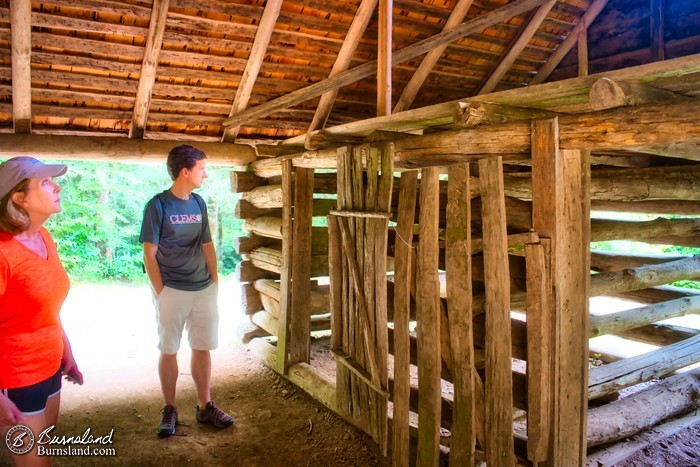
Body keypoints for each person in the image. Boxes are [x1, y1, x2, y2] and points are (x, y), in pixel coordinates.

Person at [140, 145, 233, 438]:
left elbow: (207, 245)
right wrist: (162, 292)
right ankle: (170, 408)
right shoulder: (158, 206)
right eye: (201, 168)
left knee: (202, 347)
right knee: (169, 349)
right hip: (172, 290)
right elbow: (149, 254)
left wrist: (215, 283)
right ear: (185, 172)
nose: (205, 173)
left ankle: (204, 405)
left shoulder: (199, 203)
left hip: (203, 288)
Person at [0, 157, 82, 465]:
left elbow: (47, 306)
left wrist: (67, 350)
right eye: (45, 182)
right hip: (16, 376)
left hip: (49, 366)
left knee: (45, 449)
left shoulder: (44, 237)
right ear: (19, 198)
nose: (57, 185)